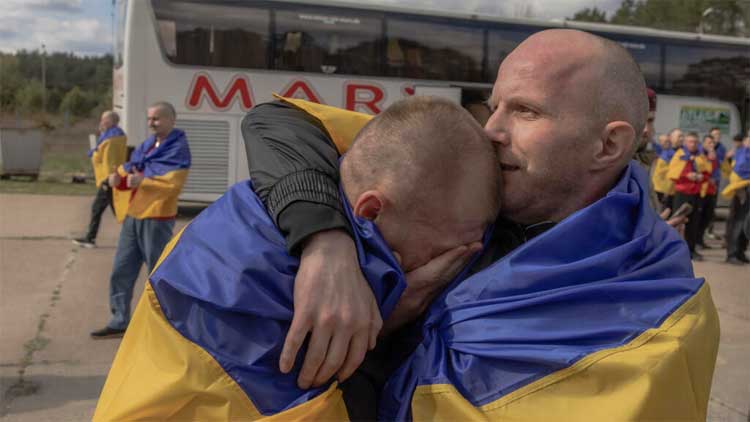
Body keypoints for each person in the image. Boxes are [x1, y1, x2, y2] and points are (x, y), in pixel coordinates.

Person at [242, 29, 719, 421]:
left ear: (608, 145)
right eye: (495, 106)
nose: (491, 130)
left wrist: (383, 331)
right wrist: (326, 243)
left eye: (526, 110)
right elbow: (279, 121)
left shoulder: (656, 307)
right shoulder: (474, 167)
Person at [93, 97, 500, 421]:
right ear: (372, 210)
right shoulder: (266, 290)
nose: (451, 264)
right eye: (446, 249)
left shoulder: (361, 166)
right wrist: (379, 331)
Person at [90, 101, 191, 339]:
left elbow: (173, 185)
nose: (151, 123)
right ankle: (119, 320)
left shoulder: (178, 149)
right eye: (149, 119)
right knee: (121, 270)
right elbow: (130, 171)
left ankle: (165, 324)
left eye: (157, 118)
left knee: (157, 274)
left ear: (171, 120)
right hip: (134, 215)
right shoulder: (146, 146)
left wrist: (143, 181)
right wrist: (118, 179)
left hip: (157, 218)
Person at [73, 111, 127, 248]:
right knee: (113, 209)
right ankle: (91, 237)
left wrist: (107, 179)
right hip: (113, 177)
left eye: (104, 120)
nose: (101, 122)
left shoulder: (110, 140)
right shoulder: (117, 136)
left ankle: (90, 238)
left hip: (108, 179)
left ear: (110, 122)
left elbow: (107, 159)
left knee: (100, 208)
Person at [668, 132, 711, 261]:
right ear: (685, 143)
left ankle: (691, 250)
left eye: (695, 142)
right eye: (690, 141)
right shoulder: (679, 155)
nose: (693, 144)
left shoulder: (700, 156)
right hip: (682, 194)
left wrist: (701, 177)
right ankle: (673, 251)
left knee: (694, 223)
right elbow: (672, 173)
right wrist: (687, 176)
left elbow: (707, 172)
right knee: (677, 222)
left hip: (696, 194)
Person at [722, 135, 750, 265]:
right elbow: (737, 173)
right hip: (742, 190)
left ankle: (740, 252)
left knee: (746, 223)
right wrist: (740, 191)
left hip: (745, 189)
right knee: (738, 222)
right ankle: (732, 253)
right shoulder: (742, 153)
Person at [698, 135, 721, 249]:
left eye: (712, 143)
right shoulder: (699, 154)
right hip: (701, 190)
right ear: (703, 143)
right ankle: (696, 241)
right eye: (708, 142)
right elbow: (703, 171)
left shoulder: (714, 155)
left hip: (711, 190)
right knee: (699, 217)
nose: (711, 145)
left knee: (707, 216)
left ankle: (700, 239)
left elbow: (716, 171)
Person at [651, 128, 682, 211]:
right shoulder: (665, 151)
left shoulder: (682, 151)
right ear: (671, 138)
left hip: (674, 190)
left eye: (682, 136)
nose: (681, 138)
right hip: (660, 189)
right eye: (679, 136)